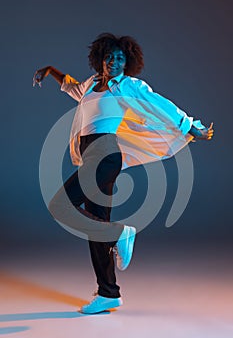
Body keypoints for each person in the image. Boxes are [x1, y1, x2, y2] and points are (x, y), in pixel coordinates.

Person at [33, 32, 214, 314]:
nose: (114, 62)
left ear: (126, 62)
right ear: (100, 60)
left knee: (60, 205)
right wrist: (50, 70)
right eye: (109, 57)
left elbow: (158, 103)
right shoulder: (92, 85)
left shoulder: (127, 86)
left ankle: (120, 234)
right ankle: (108, 293)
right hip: (91, 156)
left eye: (120, 58)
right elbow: (71, 88)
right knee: (96, 224)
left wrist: (189, 125)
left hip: (106, 156)